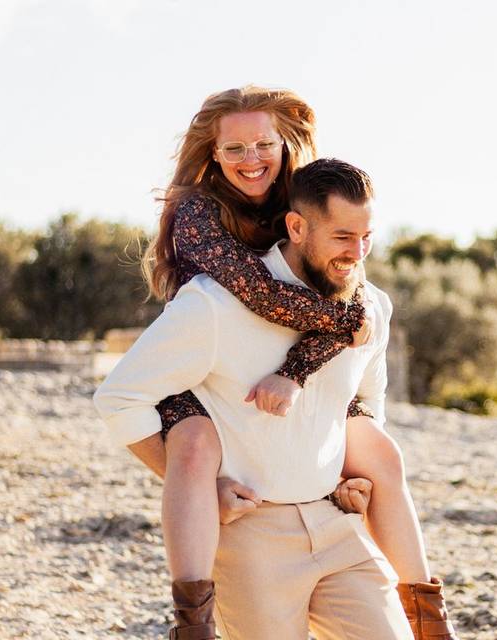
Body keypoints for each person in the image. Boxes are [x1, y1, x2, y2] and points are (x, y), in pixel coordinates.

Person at [101, 86, 456, 640]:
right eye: (343, 237)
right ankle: (190, 624)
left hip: (338, 528)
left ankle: (431, 617)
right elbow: (122, 396)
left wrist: (348, 471)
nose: (251, 159)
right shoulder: (207, 270)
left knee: (378, 446)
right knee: (194, 445)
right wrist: (203, 488)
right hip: (253, 534)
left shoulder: (364, 300)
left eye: (366, 238)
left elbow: (367, 396)